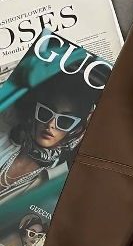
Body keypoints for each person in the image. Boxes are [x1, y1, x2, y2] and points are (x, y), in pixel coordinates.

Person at [0, 73, 97, 205]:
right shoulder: (2, 139)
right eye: (45, 112)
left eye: (65, 121)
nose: (51, 124)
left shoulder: (59, 182)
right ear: (35, 111)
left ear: (76, 130)